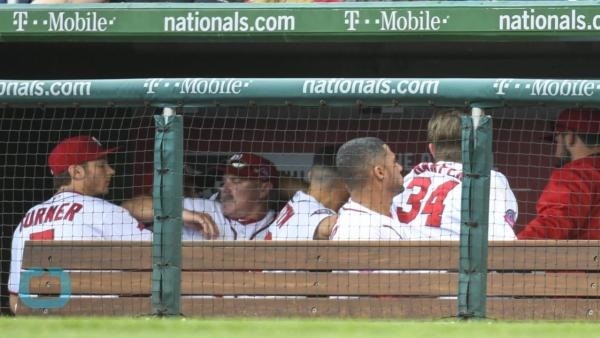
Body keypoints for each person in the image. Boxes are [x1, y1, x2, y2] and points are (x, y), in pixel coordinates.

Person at [8, 135, 153, 314]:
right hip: (96, 323)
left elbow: (15, 297)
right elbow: (164, 255)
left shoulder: (26, 220)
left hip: (44, 327)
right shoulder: (101, 211)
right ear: (76, 172)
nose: (111, 171)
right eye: (101, 165)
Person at [391, 109, 517, 240]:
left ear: (432, 149)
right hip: (455, 258)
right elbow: (502, 241)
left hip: (400, 257)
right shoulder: (488, 180)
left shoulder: (406, 181)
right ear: (477, 148)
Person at [518, 108, 600, 239]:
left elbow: (555, 223)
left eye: (556, 139)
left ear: (570, 137)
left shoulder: (575, 174)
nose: (556, 148)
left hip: (587, 258)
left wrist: (515, 248)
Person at [329, 137, 417, 240]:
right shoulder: (357, 230)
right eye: (394, 162)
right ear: (380, 172)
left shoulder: (389, 211)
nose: (400, 167)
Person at [267, 145, 349, 240]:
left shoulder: (299, 200)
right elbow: (329, 226)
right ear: (348, 184)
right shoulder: (315, 215)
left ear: (310, 175)